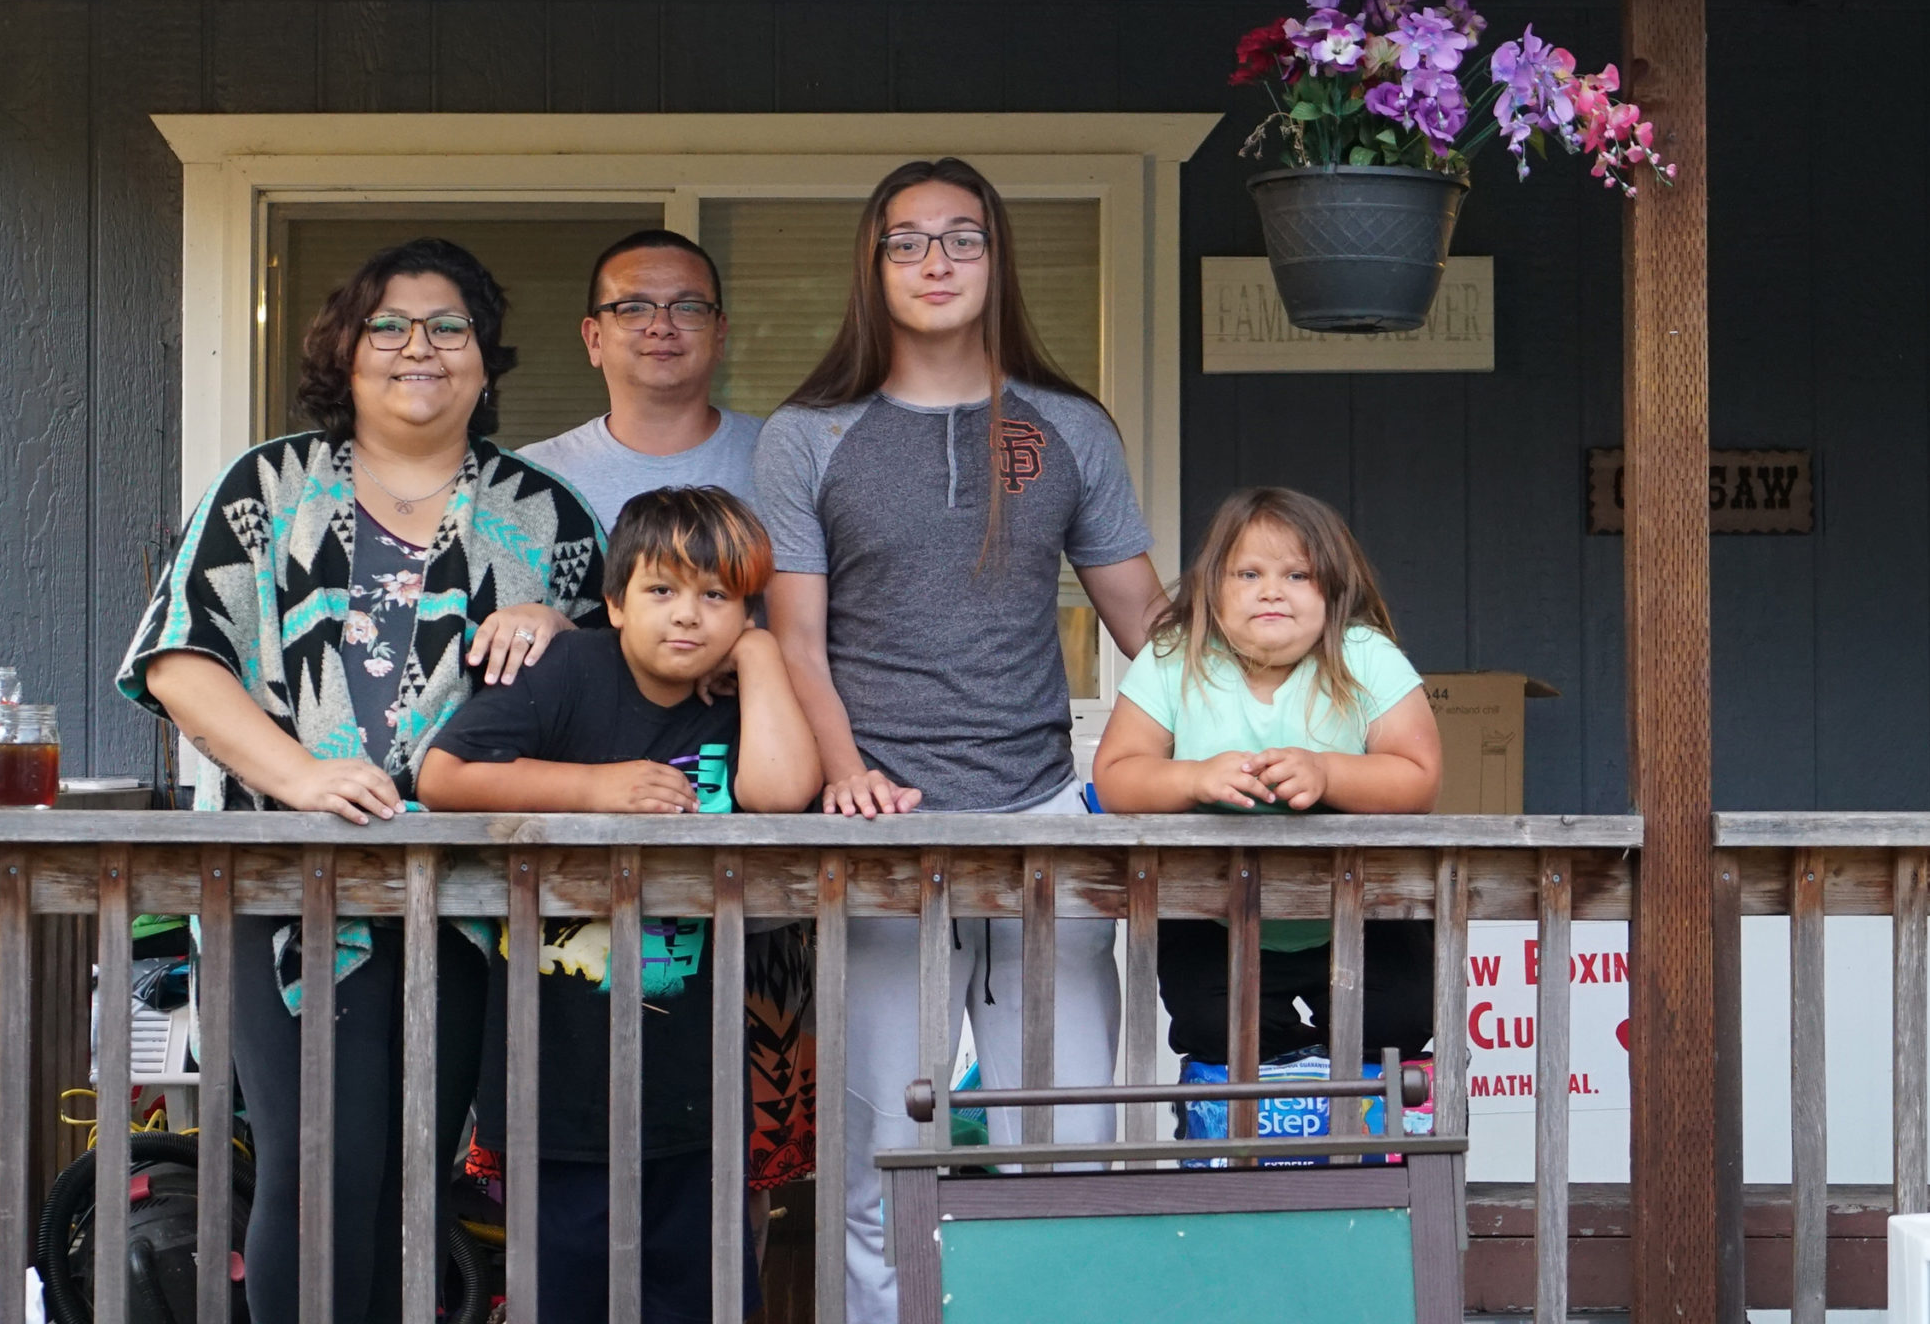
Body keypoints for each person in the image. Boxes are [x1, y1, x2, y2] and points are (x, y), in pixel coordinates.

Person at [118, 237, 607, 1324]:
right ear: (344, 352)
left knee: (417, 1175)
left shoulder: (549, 518)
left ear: (484, 362)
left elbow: (632, 678)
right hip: (291, 891)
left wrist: (560, 628)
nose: (417, 348)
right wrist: (296, 775)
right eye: (388, 325)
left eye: (449, 327)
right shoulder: (265, 486)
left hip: (476, 900)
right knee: (316, 1162)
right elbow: (180, 660)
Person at [751, 157, 1167, 1324]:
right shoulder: (809, 435)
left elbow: (1152, 629)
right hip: (882, 823)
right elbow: (796, 643)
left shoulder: (1070, 426)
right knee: (887, 1153)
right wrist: (846, 775)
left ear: (996, 259)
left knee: (1074, 1143)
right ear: (872, 266)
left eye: (962, 238)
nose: (935, 262)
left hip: (1045, 812)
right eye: (907, 241)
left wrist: (1297, 650)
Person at [418, 486, 821, 1324]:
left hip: (701, 1080)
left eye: (717, 596)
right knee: (567, 1291)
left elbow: (781, 793)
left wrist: (756, 659)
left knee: (700, 1292)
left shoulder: (746, 693)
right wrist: (596, 789)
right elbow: (445, 775)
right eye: (662, 591)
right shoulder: (575, 671)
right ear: (612, 602)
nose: (689, 617)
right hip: (559, 1073)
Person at [1091, 486, 1444, 1075]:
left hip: (1363, 909)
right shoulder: (1174, 657)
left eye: (1298, 575)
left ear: (1334, 589)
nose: (1272, 590)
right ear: (1212, 591)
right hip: (1214, 911)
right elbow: (1117, 777)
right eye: (1248, 573)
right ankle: (1275, 1121)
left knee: (1397, 1022)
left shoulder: (1365, 654)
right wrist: (1194, 778)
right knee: (1217, 1030)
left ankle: (1356, 1136)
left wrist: (1327, 772)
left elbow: (1418, 777)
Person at [518, 230, 763, 531]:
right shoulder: (530, 479)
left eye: (687, 307)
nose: (661, 327)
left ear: (720, 334)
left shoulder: (784, 460)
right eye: (634, 309)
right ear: (594, 339)